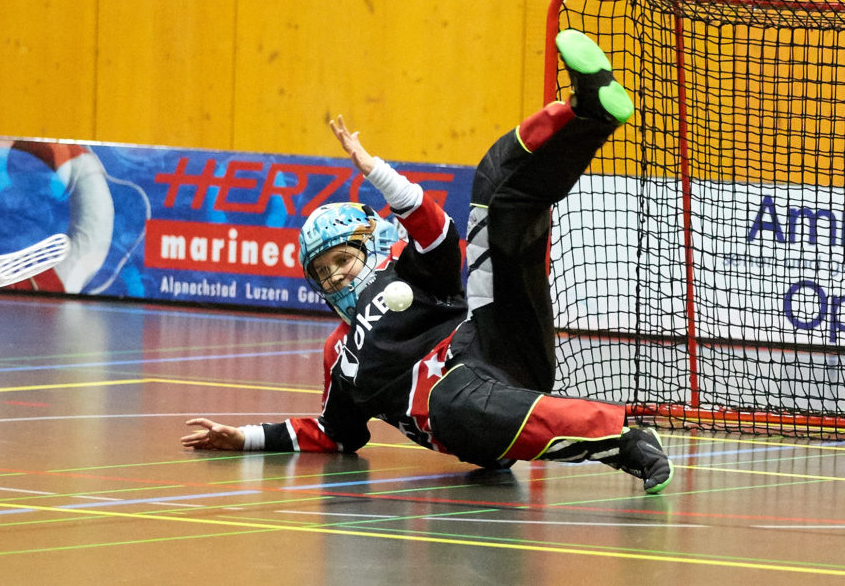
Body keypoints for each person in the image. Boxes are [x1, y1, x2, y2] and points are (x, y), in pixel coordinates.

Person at [181, 30, 673, 494]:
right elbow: (334, 434)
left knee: (494, 190)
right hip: (462, 416)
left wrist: (374, 170)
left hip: (499, 344)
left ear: (370, 246)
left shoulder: (411, 274)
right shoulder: (339, 355)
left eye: (341, 259)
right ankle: (624, 441)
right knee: (452, 400)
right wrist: (243, 438)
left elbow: (436, 228)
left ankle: (586, 112)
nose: (334, 276)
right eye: (322, 273)